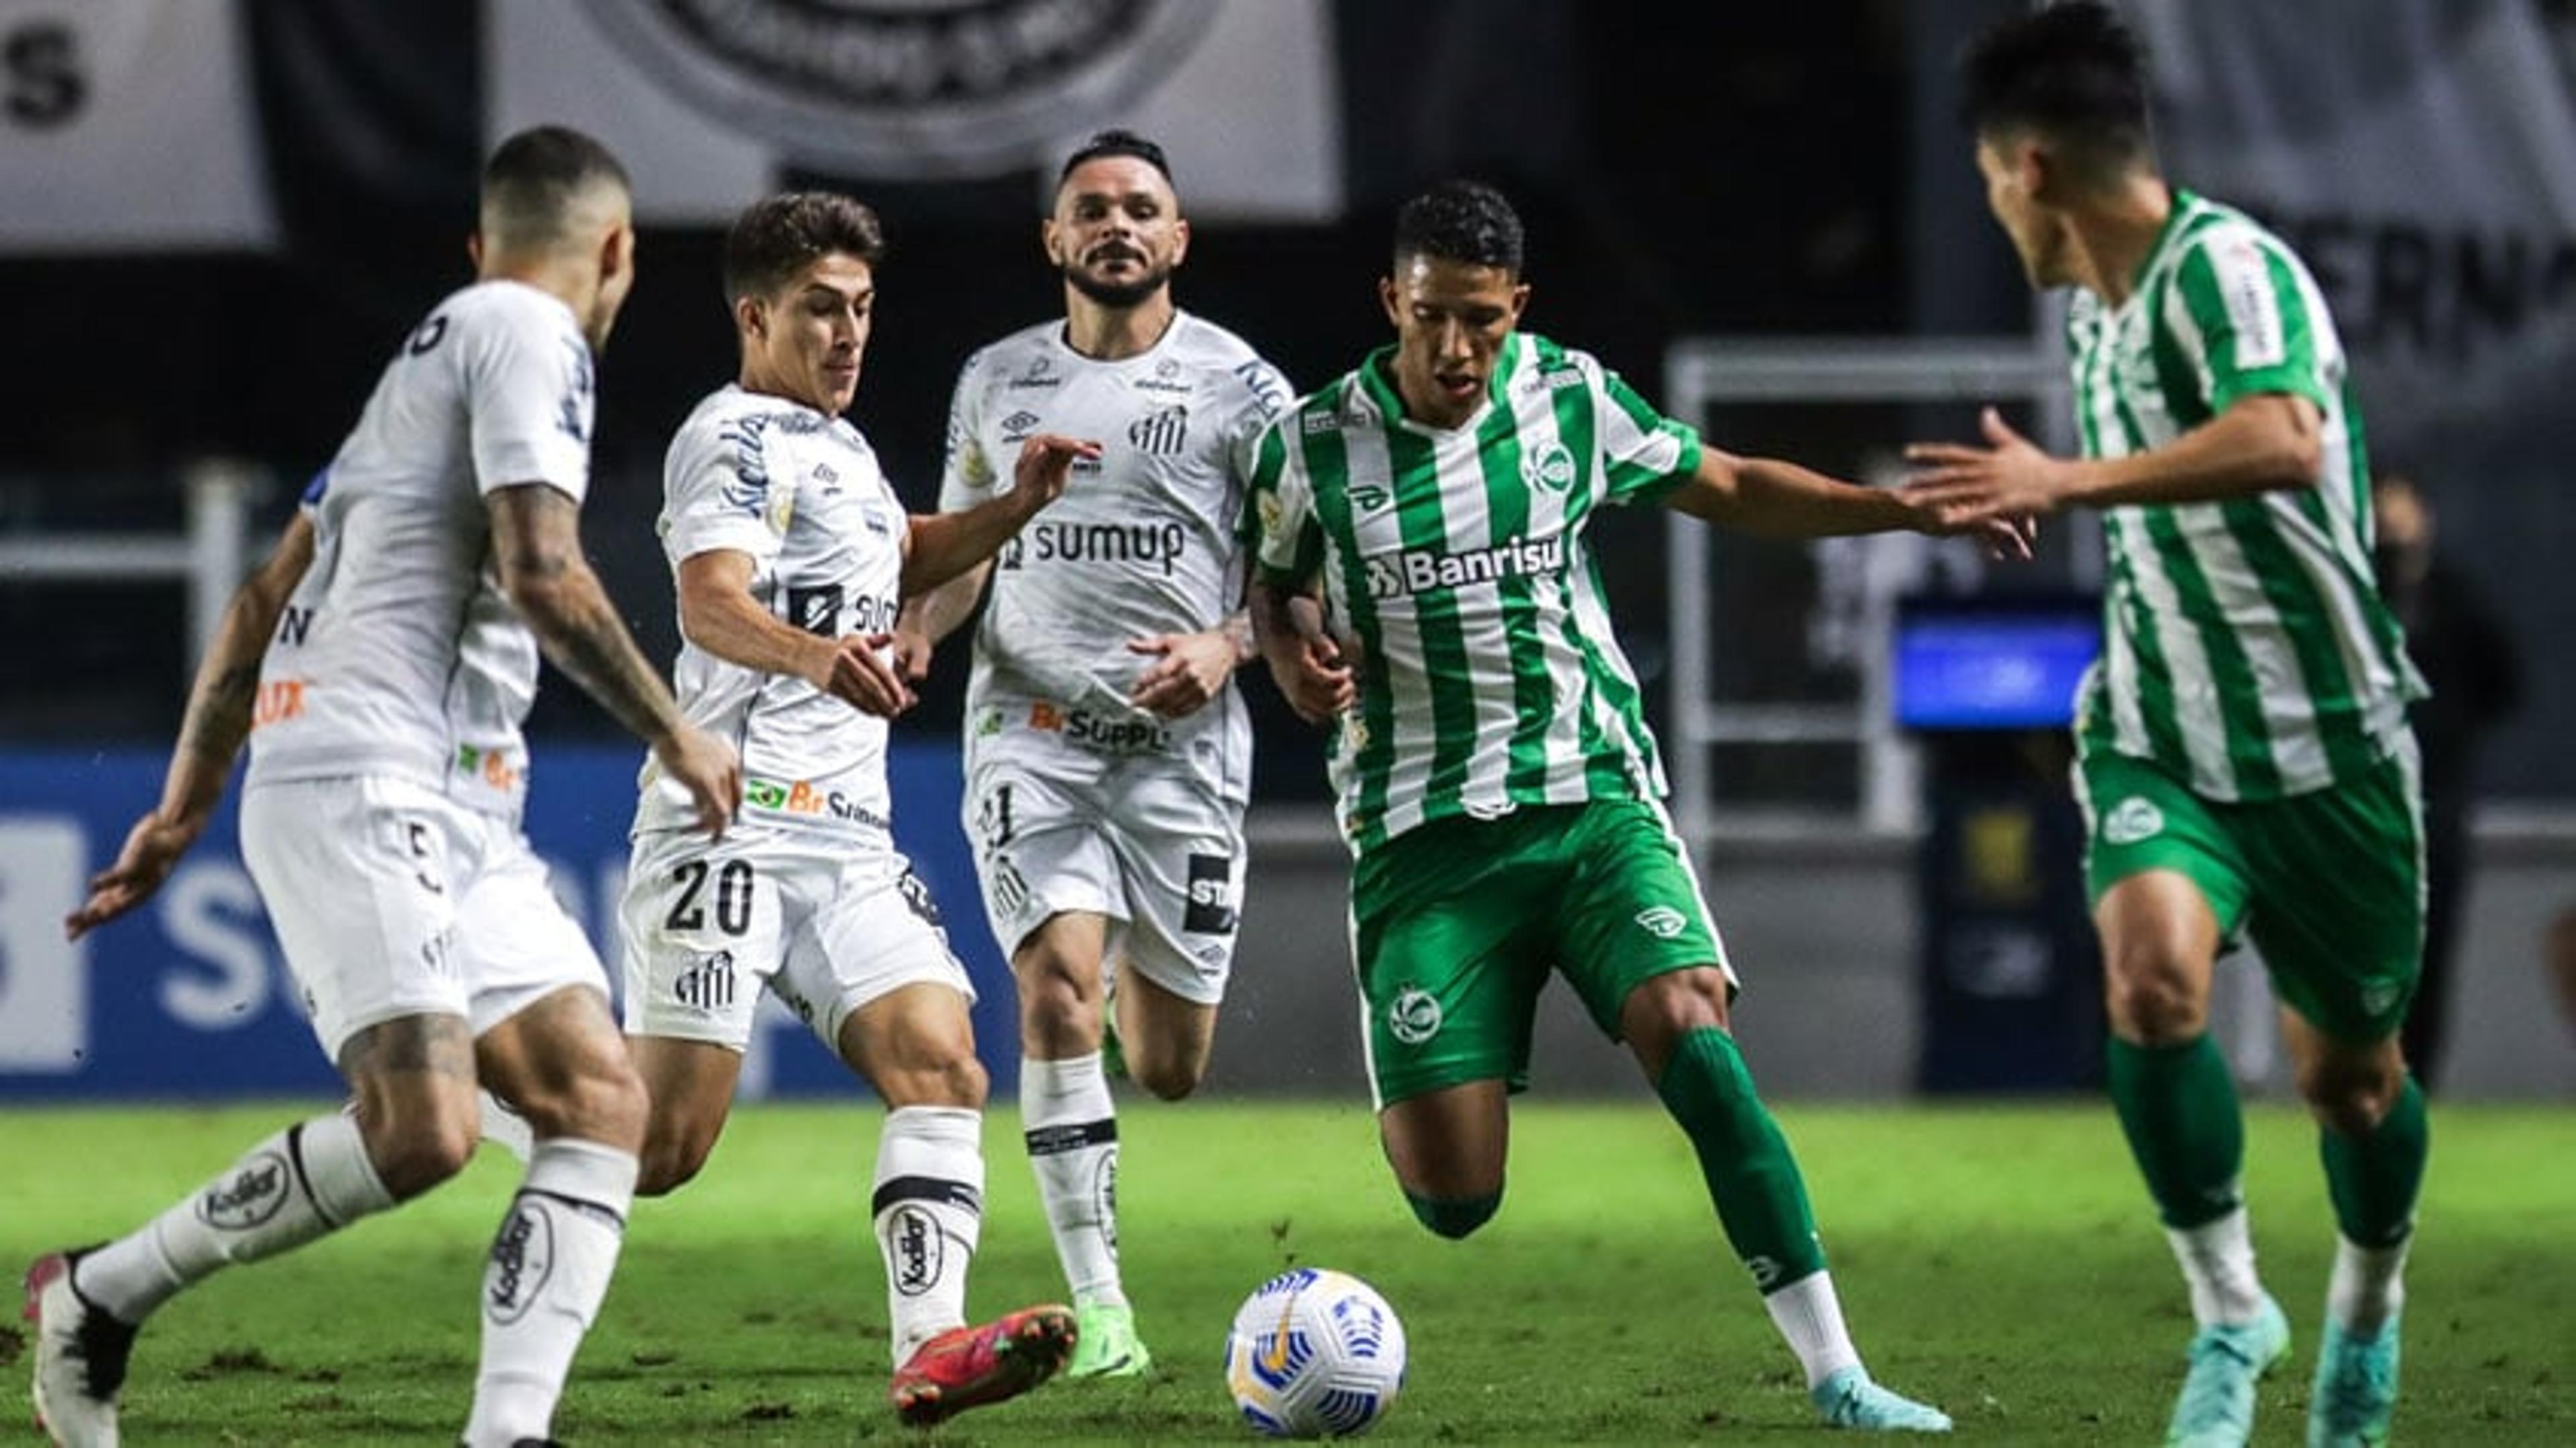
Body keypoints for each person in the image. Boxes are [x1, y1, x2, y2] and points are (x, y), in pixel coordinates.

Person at [1245, 179, 1998, 1435]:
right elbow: (1275, 590)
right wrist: (1288, 652)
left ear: (1516, 307)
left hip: (1592, 804)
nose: (1456, 348)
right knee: (1455, 1194)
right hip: (1427, 849)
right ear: (1393, 301)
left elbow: (1739, 482)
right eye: (1432, 316)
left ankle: (1838, 1374)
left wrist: (1895, 510)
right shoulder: (1313, 447)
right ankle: (1448, 1097)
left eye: (1481, 320)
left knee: (1692, 1029)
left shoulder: (1571, 398)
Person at [36, 125, 742, 1448]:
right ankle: (101, 1294)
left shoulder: (418, 372)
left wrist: (184, 804)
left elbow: (259, 592)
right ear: (618, 253)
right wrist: (674, 729)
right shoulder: (531, 338)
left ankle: (508, 1431)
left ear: (483, 243)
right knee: (423, 1130)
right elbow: (545, 570)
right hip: (365, 775)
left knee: (599, 1100)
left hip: (447, 796)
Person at [1907, 7, 2430, 1445]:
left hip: (2328, 746)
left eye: (1986, 179)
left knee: (2355, 1084)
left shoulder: (2228, 269)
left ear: (2028, 169)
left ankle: (2366, 1318)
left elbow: (2284, 437)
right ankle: (2229, 1309)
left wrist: (2068, 485)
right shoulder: (2092, 314)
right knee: (2149, 985)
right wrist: (2072, 491)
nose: (1991, 205)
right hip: (2158, 727)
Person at [614, 191, 1100, 1427]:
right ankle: (478, 1096)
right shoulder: (728, 437)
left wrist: (1013, 508)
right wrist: (819, 658)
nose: (849, 333)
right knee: (664, 1149)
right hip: (728, 825)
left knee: (943, 1063)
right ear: (756, 313)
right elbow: (709, 604)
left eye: (864, 308)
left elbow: (897, 556)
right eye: (823, 309)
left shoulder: (841, 446)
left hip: (846, 837)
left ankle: (932, 1348)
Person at [890, 128, 1291, 1380]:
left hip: (1182, 759)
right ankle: (1103, 1306)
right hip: (1033, 736)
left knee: (1169, 1064)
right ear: (1055, 240)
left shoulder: (1249, 390)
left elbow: (1293, 582)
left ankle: (1102, 1033)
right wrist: (914, 627)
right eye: (1092, 209)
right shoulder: (995, 380)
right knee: (1056, 986)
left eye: (1140, 208)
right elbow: (963, 550)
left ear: (1177, 239)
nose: (1116, 224)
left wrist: (1230, 647)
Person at [2372, 472, 2520, 1090]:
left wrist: (2450, 731)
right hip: (2368, 801)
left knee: (2433, 948)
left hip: (2439, 800)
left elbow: (2505, 681)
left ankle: (2418, 1079)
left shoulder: (2456, 598)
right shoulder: (2355, 597)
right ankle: (2363, 1074)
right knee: (2369, 949)